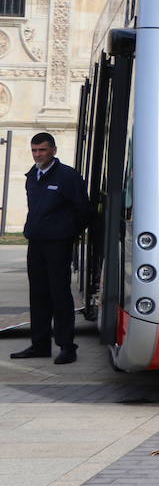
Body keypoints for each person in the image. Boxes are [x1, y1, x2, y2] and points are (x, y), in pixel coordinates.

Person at [10, 133, 89, 365]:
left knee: (59, 294)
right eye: (34, 150)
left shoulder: (68, 176)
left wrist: (67, 232)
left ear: (53, 150)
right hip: (36, 243)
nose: (37, 155)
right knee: (38, 294)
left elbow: (83, 210)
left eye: (42, 150)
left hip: (58, 244)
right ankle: (40, 344)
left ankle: (67, 346)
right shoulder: (31, 176)